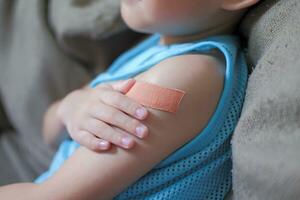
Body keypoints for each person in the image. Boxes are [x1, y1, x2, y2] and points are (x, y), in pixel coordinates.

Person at [0, 0, 260, 199]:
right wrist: (72, 107)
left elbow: (50, 196)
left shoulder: (187, 75)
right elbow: (49, 134)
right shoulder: (155, 49)